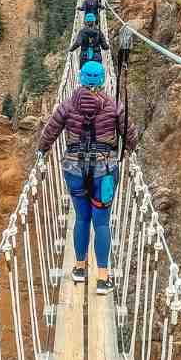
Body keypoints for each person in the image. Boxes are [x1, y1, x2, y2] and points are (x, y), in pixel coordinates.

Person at [38, 60, 138, 293]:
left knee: (82, 218)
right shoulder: (114, 106)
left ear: (81, 79)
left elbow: (50, 130)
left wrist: (42, 150)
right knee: (101, 222)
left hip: (74, 170)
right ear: (102, 80)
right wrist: (133, 148)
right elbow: (129, 133)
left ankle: (79, 268)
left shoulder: (67, 105)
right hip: (104, 171)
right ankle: (102, 279)